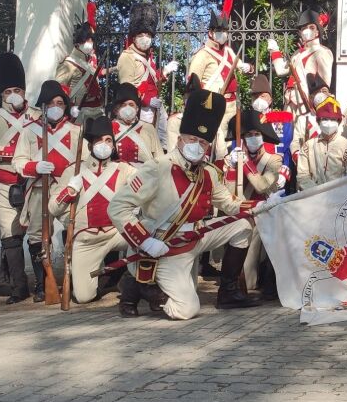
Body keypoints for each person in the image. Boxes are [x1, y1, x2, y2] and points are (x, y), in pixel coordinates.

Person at [108, 89, 261, 319]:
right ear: (179, 140)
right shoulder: (158, 167)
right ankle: (140, 286)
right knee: (187, 310)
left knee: (242, 226)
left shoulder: (209, 173)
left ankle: (228, 292)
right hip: (166, 245)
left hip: (196, 237)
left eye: (202, 142)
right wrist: (145, 241)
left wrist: (263, 205)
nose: (197, 145)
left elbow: (230, 205)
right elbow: (117, 207)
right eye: (192, 139)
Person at [12, 80, 86, 302]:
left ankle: (70, 276)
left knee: (73, 226)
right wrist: (35, 167)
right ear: (43, 105)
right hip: (38, 188)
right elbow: (18, 161)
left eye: (60, 103)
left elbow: (84, 161)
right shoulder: (30, 131)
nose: (56, 107)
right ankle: (43, 282)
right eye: (52, 103)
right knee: (37, 234)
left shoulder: (76, 131)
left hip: (66, 189)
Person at [49, 117, 136, 304]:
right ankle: (102, 279)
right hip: (86, 240)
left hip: (116, 233)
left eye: (108, 141)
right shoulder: (73, 171)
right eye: (98, 141)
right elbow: (52, 208)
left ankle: (136, 282)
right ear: (90, 146)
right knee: (83, 297)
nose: (103, 145)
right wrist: (69, 191)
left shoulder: (124, 169)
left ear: (113, 146)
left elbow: (145, 191)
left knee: (145, 235)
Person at [0, 52, 40, 304]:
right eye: (8, 91)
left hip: (31, 180)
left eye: (17, 89)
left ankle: (41, 284)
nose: (13, 94)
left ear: (23, 92)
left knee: (34, 229)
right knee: (11, 233)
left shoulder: (36, 114)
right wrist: (11, 152)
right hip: (2, 180)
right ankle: (19, 286)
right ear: (2, 95)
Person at [225, 109, 284, 298]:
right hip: (243, 213)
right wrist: (233, 167)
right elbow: (228, 191)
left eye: (256, 134)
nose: (252, 138)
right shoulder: (233, 158)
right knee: (246, 282)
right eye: (248, 135)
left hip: (265, 212)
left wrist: (246, 164)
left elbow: (262, 186)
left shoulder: (274, 159)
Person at [188, 0, 254, 163]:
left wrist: (247, 68)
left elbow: (240, 66)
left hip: (232, 102)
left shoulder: (229, 52)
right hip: (213, 102)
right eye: (219, 30)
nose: (223, 34)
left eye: (225, 31)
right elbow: (192, 82)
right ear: (211, 33)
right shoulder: (202, 55)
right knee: (218, 145)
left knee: (235, 143)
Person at [117, 3, 178, 149]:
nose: (145, 38)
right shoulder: (127, 57)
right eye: (141, 35)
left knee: (160, 145)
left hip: (156, 107)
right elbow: (126, 89)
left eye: (148, 35)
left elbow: (152, 79)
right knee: (144, 146)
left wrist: (164, 72)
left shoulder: (148, 56)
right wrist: (147, 100)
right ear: (134, 37)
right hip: (141, 109)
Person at [297, 96, 347, 190]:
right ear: (318, 121)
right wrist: (316, 192)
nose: (329, 123)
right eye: (325, 119)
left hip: (340, 198)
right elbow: (302, 177)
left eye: (333, 120)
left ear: (339, 122)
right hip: (312, 197)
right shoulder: (308, 146)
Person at [56, 3, 106, 123]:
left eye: (91, 40)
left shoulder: (89, 61)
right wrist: (68, 107)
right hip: (79, 112)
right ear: (78, 43)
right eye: (87, 40)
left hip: (97, 110)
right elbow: (59, 91)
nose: (90, 43)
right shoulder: (68, 64)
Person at [268, 7, 335, 88]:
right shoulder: (298, 53)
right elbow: (281, 71)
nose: (307, 30)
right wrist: (275, 50)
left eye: (312, 27)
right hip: (291, 99)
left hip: (308, 99)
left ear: (317, 32)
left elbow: (324, 84)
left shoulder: (322, 52)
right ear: (300, 32)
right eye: (304, 28)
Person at [250, 74, 293, 190]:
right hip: (252, 175)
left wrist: (285, 171)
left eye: (263, 96)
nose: (259, 100)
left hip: (276, 174)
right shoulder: (245, 120)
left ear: (270, 100)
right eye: (255, 97)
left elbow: (289, 147)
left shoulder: (283, 119)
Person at [109, 82, 162, 166]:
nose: (128, 108)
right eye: (123, 105)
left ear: (137, 109)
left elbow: (160, 160)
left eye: (131, 104)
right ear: (116, 110)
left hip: (142, 177)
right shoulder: (108, 128)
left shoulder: (148, 128)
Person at [290, 73, 329, 163]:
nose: (322, 95)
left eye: (324, 91)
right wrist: (297, 155)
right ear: (311, 98)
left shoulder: (338, 117)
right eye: (318, 93)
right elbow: (296, 142)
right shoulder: (303, 119)